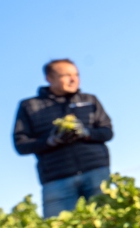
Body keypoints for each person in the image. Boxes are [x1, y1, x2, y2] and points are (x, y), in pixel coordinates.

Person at [13, 59, 114, 218]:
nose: (73, 79)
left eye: (76, 74)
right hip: (56, 180)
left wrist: (86, 133)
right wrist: (50, 141)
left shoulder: (89, 100)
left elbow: (107, 132)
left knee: (109, 219)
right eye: (66, 75)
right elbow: (21, 144)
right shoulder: (29, 106)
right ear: (49, 78)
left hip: (96, 172)